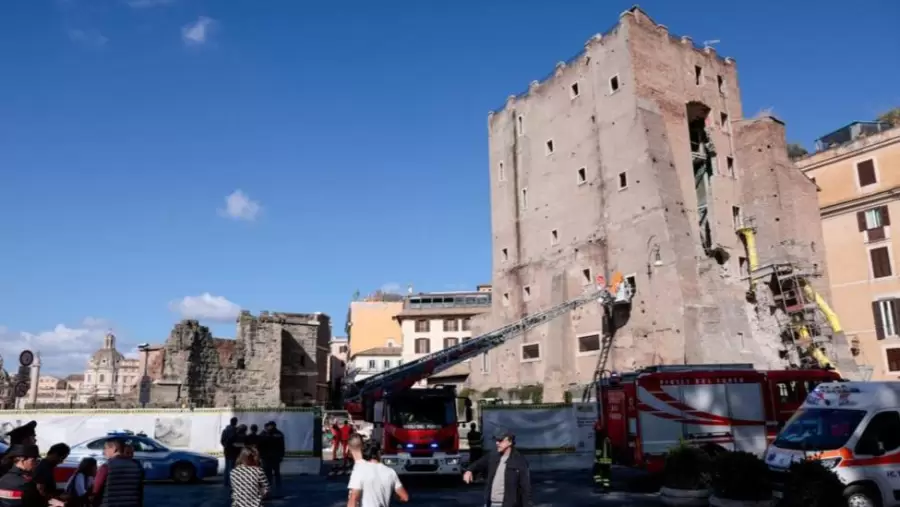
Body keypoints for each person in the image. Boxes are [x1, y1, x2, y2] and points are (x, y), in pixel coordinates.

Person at [463, 429, 533, 507]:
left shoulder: (519, 461)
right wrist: (469, 470)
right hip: (491, 503)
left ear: (510, 442)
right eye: (496, 440)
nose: (497, 443)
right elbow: (478, 463)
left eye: (500, 440)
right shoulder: (493, 455)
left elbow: (525, 488)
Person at [346, 436, 408, 507]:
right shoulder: (390, 472)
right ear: (379, 454)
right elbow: (405, 497)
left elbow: (354, 498)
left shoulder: (360, 470)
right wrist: (392, 495)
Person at [91, 439, 144, 507]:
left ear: (114, 449)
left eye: (106, 448)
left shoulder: (106, 467)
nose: (104, 452)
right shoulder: (137, 466)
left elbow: (95, 490)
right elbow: (140, 492)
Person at [256, 422, 284, 497]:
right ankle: (275, 489)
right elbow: (282, 446)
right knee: (274, 473)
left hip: (268, 457)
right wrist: (281, 456)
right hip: (272, 457)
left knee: (269, 474)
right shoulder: (278, 434)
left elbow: (259, 446)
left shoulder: (264, 434)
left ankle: (269, 490)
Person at [592, 420, 612, 491]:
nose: (595, 430)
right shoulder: (606, 436)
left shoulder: (599, 436)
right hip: (607, 459)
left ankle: (600, 484)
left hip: (602, 458)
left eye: (595, 428)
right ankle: (606, 486)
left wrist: (597, 459)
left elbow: (598, 449)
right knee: (606, 473)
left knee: (595, 471)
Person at [220, 418, 239, 487]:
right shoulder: (235, 430)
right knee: (232, 467)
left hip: (226, 450)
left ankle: (226, 482)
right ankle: (232, 483)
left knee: (227, 467)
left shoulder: (225, 430)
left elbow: (222, 441)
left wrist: (226, 446)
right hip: (233, 451)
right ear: (235, 422)